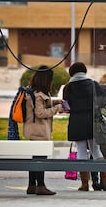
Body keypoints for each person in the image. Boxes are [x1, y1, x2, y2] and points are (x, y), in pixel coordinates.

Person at [63, 62, 106, 192]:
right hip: (92, 121)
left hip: (77, 121)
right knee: (96, 150)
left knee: (81, 151)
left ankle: (84, 184)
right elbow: (103, 101)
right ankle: (105, 178)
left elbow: (66, 106)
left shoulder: (68, 87)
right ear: (84, 71)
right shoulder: (93, 84)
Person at [23, 65, 63, 195]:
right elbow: (40, 113)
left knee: (35, 158)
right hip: (38, 131)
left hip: (34, 130)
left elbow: (40, 108)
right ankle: (40, 185)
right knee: (40, 159)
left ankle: (32, 186)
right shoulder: (39, 95)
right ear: (46, 79)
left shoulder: (34, 92)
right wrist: (57, 109)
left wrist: (56, 102)